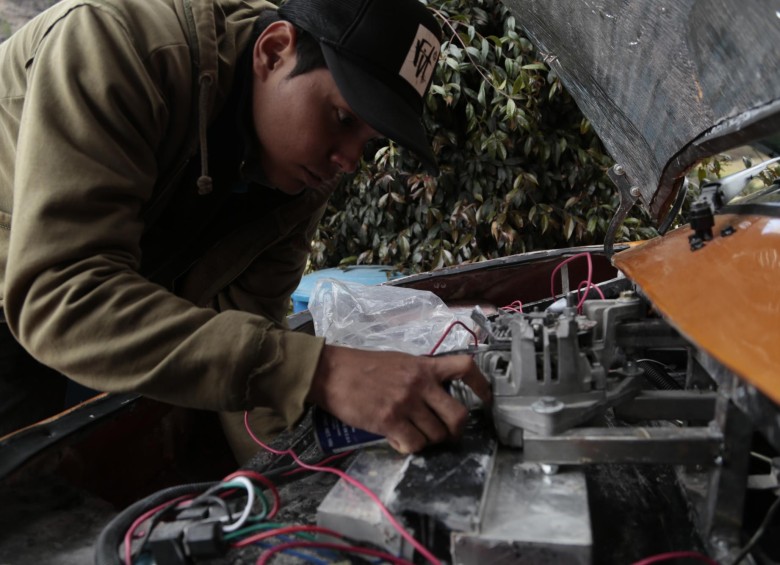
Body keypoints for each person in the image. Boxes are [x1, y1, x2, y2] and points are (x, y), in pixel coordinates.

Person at [0, 0, 491, 461]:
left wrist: (290, 483)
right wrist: (323, 370)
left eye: (368, 141)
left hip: (110, 305)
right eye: (342, 118)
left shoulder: (299, 178)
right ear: (274, 51)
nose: (347, 161)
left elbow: (252, 334)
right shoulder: (117, 44)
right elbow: (61, 294)